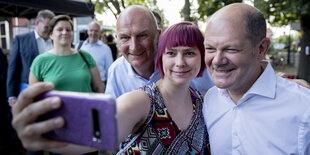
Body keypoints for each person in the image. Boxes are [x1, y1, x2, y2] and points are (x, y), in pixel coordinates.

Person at [11, 22, 210, 155]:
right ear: (161, 57)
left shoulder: (203, 103)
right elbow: (99, 134)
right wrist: (47, 136)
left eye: (190, 53)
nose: (180, 62)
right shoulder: (141, 100)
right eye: (171, 53)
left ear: (202, 57)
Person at [202, 3, 310, 154]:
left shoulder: (304, 108)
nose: (217, 60)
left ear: (261, 49)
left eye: (231, 49)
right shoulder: (210, 100)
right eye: (210, 49)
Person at [105, 5, 214, 98]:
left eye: (142, 36)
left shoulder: (185, 65)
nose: (134, 47)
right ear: (117, 39)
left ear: (158, 35)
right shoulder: (116, 71)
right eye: (125, 37)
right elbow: (111, 117)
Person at [29, 15, 104, 93]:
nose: (64, 32)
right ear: (51, 34)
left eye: (68, 30)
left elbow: (98, 88)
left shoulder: (85, 56)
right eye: (60, 29)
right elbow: (33, 95)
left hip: (87, 105)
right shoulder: (40, 61)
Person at [6, 10, 55, 106]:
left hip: (52, 90)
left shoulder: (56, 40)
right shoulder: (21, 39)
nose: (49, 30)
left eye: (51, 27)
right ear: (37, 23)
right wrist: (11, 95)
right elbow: (13, 68)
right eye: (46, 27)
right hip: (27, 89)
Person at [76, 21, 113, 91]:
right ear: (87, 31)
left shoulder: (106, 49)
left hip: (99, 86)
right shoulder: (79, 46)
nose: (93, 33)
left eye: (96, 31)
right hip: (81, 84)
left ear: (100, 32)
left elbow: (109, 70)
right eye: (91, 30)